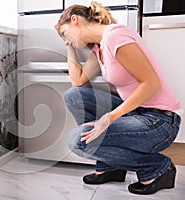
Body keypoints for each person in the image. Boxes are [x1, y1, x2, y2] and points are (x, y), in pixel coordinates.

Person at [54, 1, 183, 195]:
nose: (66, 40)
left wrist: (110, 117)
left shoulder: (116, 36)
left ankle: (157, 167)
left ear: (75, 20)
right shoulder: (100, 47)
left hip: (160, 121)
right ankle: (110, 166)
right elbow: (78, 81)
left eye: (64, 34)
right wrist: (70, 47)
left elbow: (152, 83)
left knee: (77, 141)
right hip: (136, 112)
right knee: (75, 96)